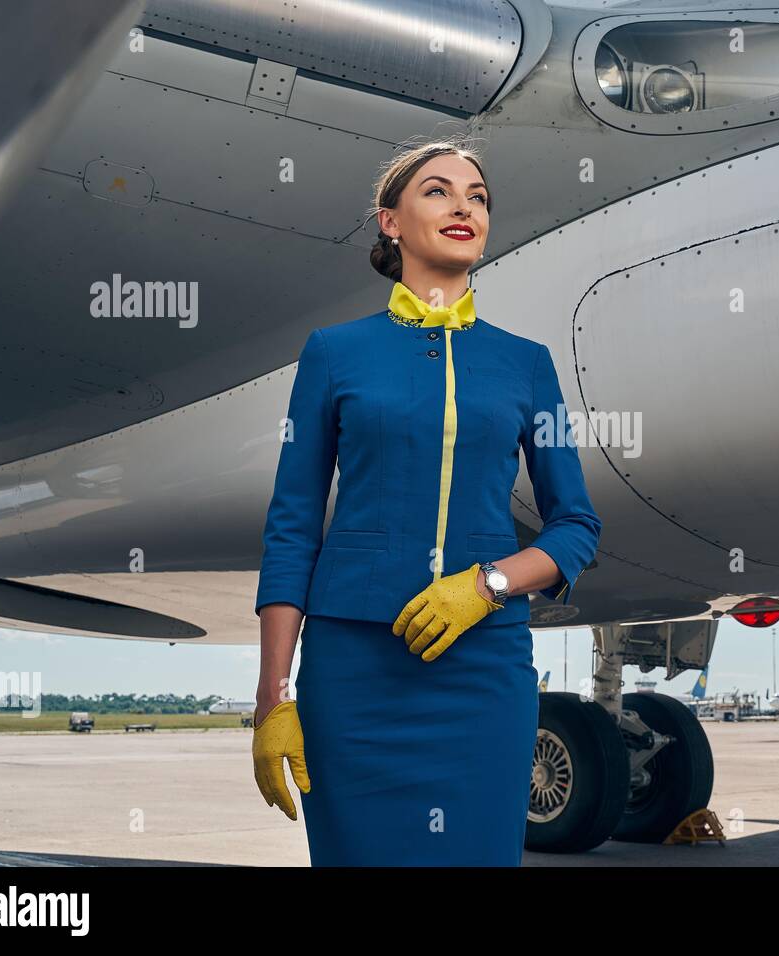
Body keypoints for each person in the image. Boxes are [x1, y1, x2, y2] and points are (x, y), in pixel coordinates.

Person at [250, 137, 602, 865]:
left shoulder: (525, 364)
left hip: (483, 670)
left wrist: (488, 584)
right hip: (353, 676)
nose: (464, 206)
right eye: (438, 191)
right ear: (390, 222)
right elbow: (291, 530)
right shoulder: (333, 353)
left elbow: (576, 526)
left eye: (478, 197)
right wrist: (274, 696)